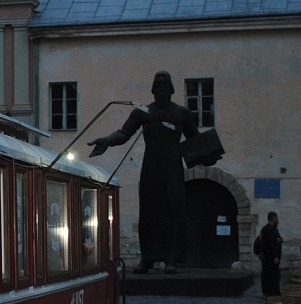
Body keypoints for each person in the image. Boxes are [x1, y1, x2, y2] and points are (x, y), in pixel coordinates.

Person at [88, 71, 218, 273]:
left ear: (172, 87)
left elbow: (195, 140)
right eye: (158, 83)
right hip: (151, 166)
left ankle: (171, 260)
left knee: (173, 211)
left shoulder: (182, 113)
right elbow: (124, 133)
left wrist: (209, 156)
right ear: (153, 87)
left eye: (165, 82)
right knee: (148, 212)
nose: (162, 86)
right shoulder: (143, 112)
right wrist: (107, 140)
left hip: (173, 167)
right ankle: (147, 258)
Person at [258, 211, 282, 297]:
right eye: (276, 219)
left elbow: (275, 241)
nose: (277, 221)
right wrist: (275, 256)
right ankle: (269, 291)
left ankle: (274, 290)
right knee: (269, 274)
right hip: (269, 257)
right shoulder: (267, 229)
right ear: (272, 219)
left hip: (272, 256)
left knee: (274, 274)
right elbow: (270, 245)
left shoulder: (274, 229)